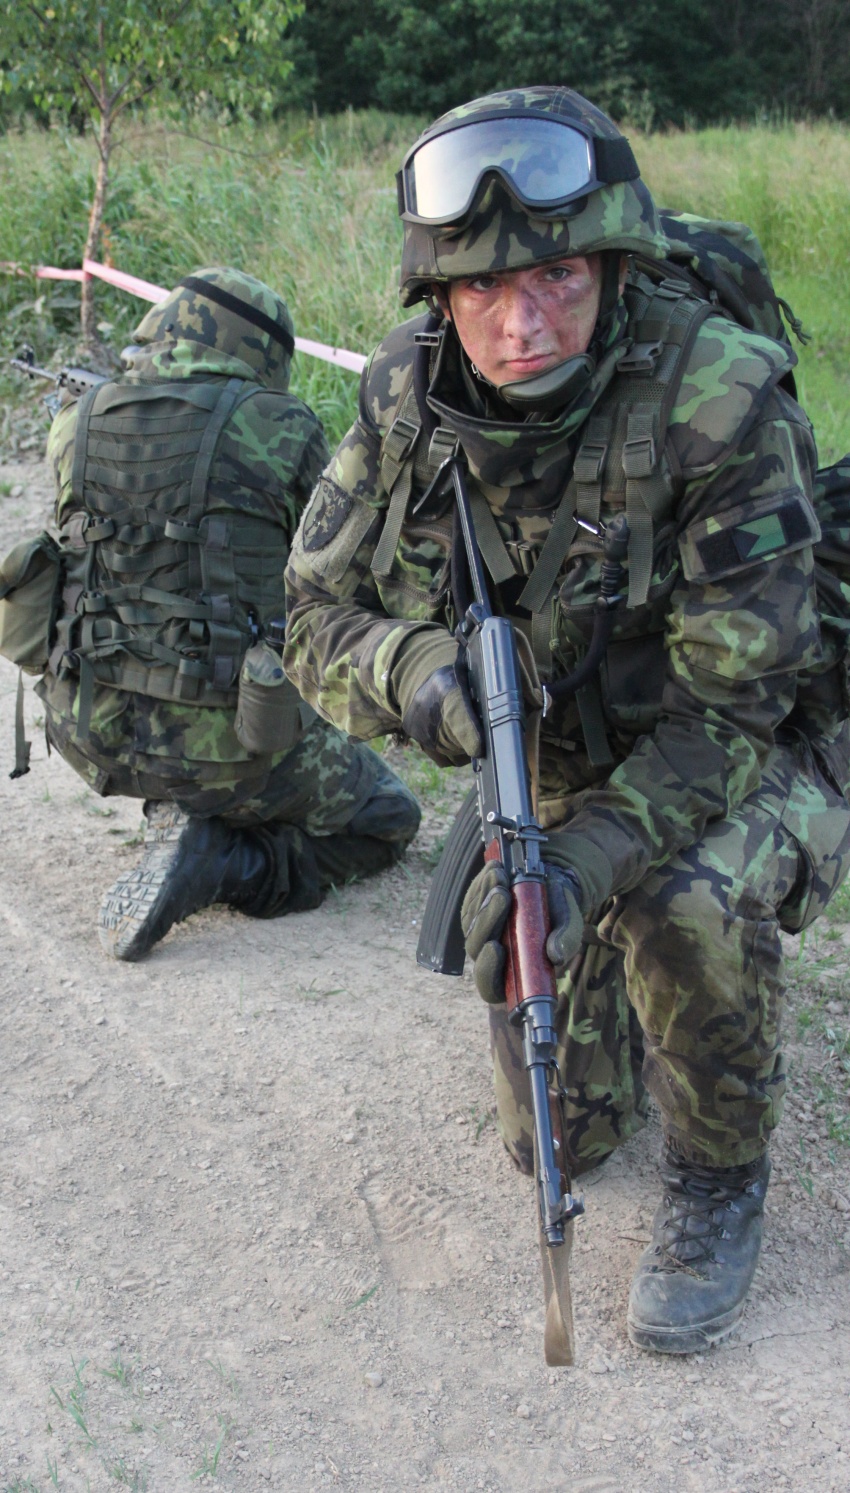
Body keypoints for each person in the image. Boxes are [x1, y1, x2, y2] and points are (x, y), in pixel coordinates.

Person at [283, 87, 850, 1354]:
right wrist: (420, 674)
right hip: (559, 751)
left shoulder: (717, 396)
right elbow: (309, 616)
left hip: (761, 746)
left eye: (558, 277)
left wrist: (589, 859)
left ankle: (718, 1176)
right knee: (556, 1129)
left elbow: (732, 712)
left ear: (613, 267)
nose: (521, 321)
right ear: (438, 296)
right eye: (483, 288)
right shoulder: (404, 394)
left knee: (680, 899)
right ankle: (622, 1002)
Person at [37, 267, 420, 962]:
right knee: (389, 817)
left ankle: (181, 806)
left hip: (89, 732)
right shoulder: (283, 425)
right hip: (235, 746)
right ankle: (225, 861)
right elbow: (340, 579)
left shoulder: (75, 420)